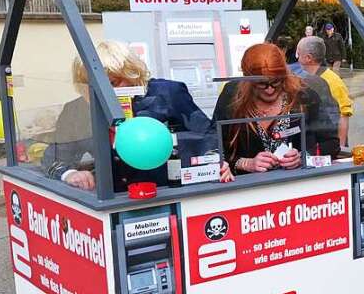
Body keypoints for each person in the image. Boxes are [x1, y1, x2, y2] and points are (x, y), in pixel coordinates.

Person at [44, 40, 231, 191]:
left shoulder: (166, 93)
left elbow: (207, 135)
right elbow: (53, 157)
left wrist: (216, 162)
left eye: (114, 83)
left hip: (168, 193)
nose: (106, 93)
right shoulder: (76, 111)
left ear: (132, 74)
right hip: (114, 201)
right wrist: (69, 174)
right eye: (95, 86)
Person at [213, 43, 329, 173]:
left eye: (276, 82)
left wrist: (303, 158)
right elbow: (212, 147)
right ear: (248, 80)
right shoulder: (232, 96)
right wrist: (245, 163)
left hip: (297, 186)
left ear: (284, 74)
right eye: (261, 84)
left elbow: (330, 144)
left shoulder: (304, 97)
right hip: (248, 188)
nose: (270, 90)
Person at [296, 36, 353, 149]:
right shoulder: (306, 78)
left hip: (330, 146)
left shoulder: (333, 81)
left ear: (308, 58)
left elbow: (343, 116)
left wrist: (339, 148)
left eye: (298, 54)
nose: (297, 59)